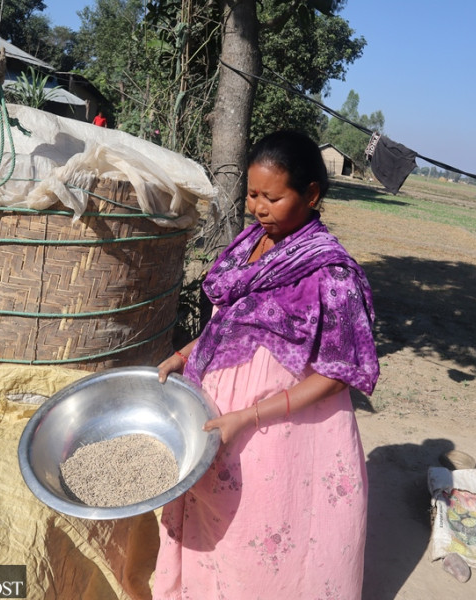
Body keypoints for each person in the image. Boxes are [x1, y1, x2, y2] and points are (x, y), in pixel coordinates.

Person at [154, 130, 379, 599]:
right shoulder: (248, 244)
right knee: (212, 536)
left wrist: (248, 417)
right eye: (253, 194)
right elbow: (228, 325)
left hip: (276, 434)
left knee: (259, 545)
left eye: (272, 198)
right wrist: (182, 355)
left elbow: (337, 375)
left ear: (311, 194)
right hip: (218, 416)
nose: (258, 208)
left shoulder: (330, 273)